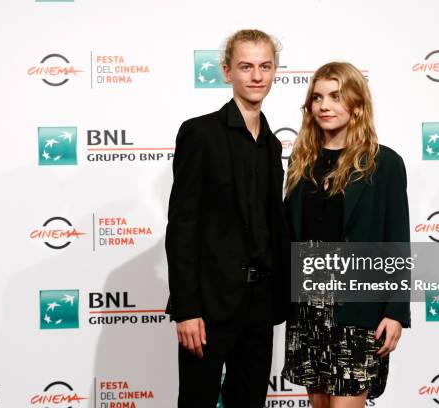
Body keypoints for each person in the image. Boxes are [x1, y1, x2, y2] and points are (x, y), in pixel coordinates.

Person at [165, 29, 289, 408]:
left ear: (274, 72)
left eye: (265, 66)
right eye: (246, 66)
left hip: (260, 303)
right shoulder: (199, 133)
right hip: (210, 305)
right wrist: (187, 309)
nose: (256, 76)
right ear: (226, 72)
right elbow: (182, 225)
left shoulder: (272, 143)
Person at [281, 62, 411, 408]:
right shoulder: (301, 163)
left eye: (336, 97)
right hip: (307, 310)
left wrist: (396, 311)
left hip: (357, 310)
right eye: (318, 97)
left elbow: (397, 242)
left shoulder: (384, 164)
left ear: (356, 105)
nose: (324, 105)